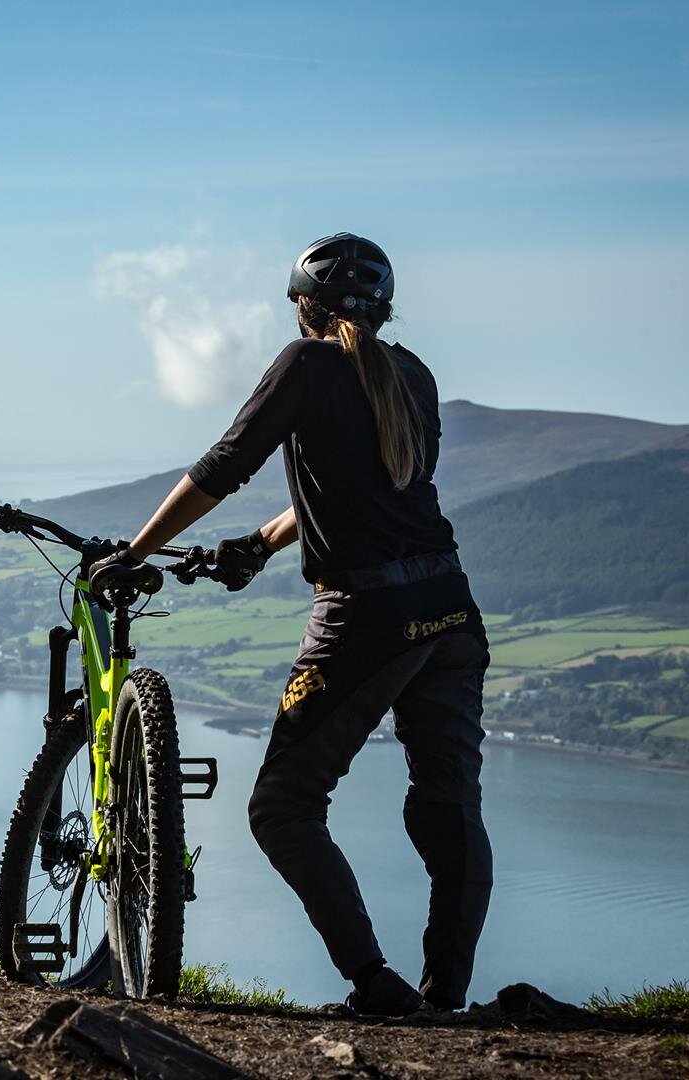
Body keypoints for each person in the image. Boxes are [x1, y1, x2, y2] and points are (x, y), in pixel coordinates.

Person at [107, 234, 492, 1016]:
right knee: (447, 807)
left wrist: (136, 551)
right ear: (383, 308)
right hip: (450, 608)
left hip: (365, 617)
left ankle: (376, 987)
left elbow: (225, 463)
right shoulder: (411, 374)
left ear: (303, 305)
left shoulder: (305, 364)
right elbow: (376, 489)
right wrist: (260, 544)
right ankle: (443, 998)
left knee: (282, 808)